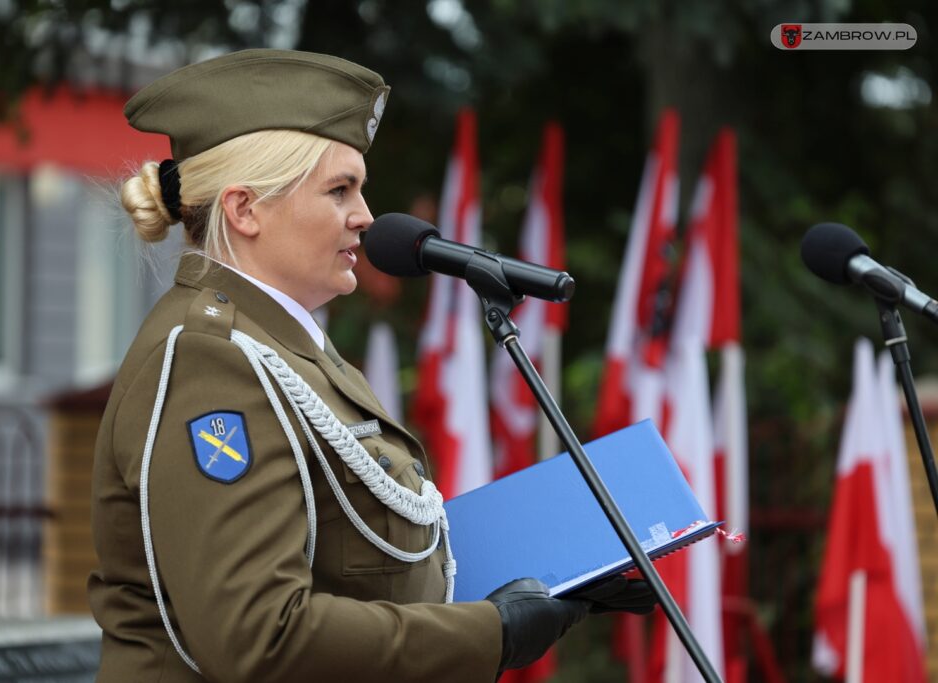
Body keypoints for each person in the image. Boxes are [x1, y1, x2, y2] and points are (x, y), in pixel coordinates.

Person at [89, 48, 653, 683]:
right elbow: (257, 635)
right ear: (245, 209)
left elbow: (364, 563)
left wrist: (559, 569)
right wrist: (489, 632)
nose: (365, 215)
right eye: (340, 190)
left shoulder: (280, 346)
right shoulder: (210, 359)